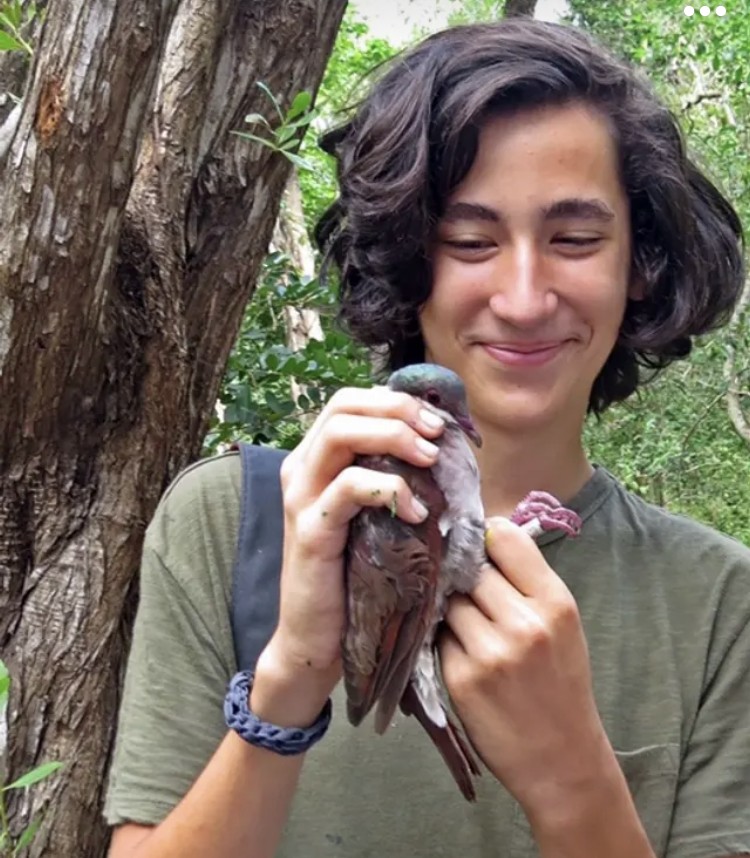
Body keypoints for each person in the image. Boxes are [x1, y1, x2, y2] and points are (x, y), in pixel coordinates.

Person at [104, 17, 750, 858]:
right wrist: (294, 671)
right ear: (410, 263)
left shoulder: (719, 604)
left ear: (640, 265)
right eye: (470, 242)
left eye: (576, 239)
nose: (522, 297)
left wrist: (575, 783)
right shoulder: (234, 524)